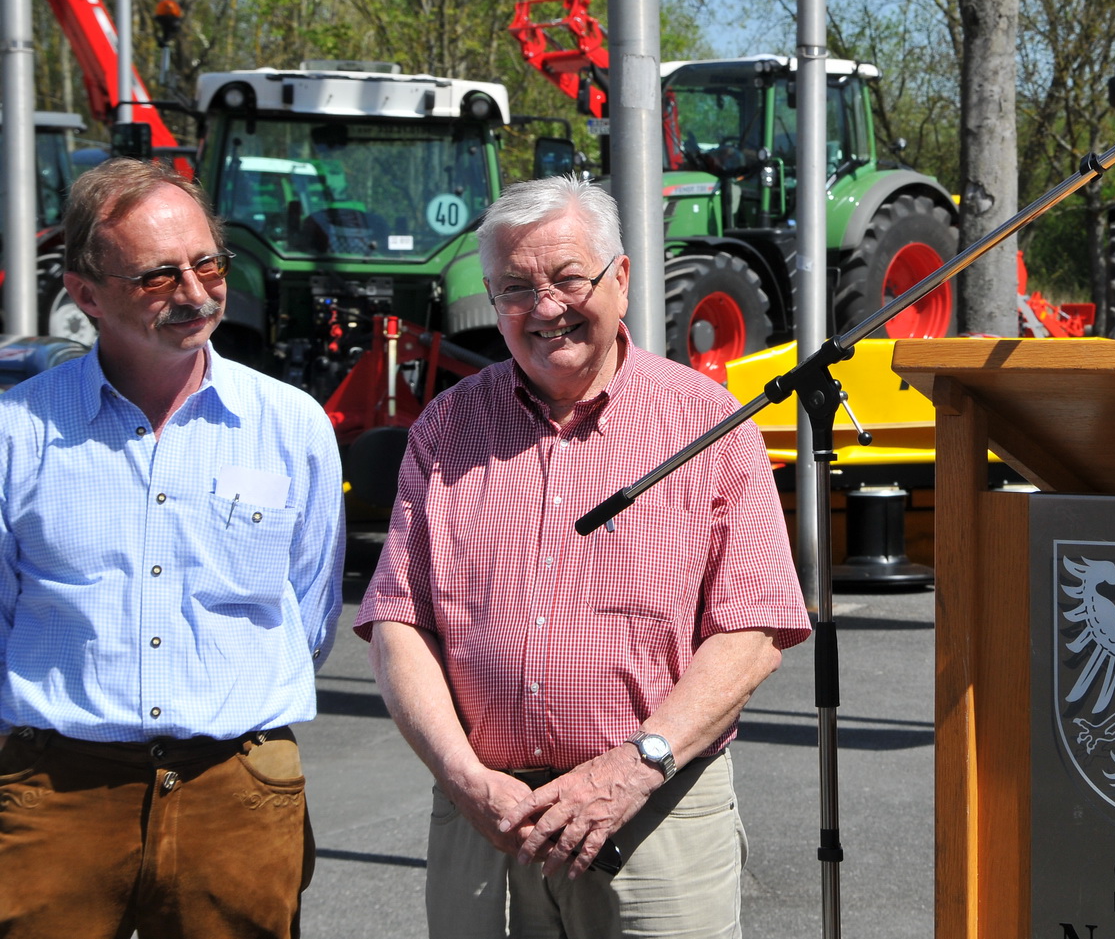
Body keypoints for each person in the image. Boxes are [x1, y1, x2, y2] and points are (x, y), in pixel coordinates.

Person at [357, 176, 810, 938]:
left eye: (568, 278)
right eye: (514, 288)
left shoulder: (708, 424)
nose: (544, 308)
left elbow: (754, 628)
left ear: (621, 279)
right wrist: (463, 777)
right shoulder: (447, 426)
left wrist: (632, 766)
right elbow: (400, 619)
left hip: (657, 814)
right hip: (486, 823)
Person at [0, 158, 345, 938]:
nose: (194, 293)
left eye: (207, 263)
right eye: (158, 276)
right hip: (58, 791)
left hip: (238, 788)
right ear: (85, 295)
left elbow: (310, 609)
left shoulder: (291, 427)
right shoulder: (18, 433)